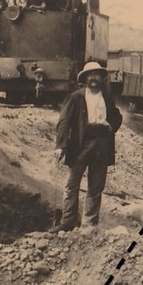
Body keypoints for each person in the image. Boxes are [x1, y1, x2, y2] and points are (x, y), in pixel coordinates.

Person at [54, 62, 123, 230]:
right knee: (72, 183)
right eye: (90, 75)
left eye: (97, 75)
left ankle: (89, 224)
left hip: (102, 144)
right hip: (81, 144)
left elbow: (117, 116)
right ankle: (68, 221)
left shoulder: (106, 98)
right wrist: (60, 146)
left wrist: (111, 127)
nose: (93, 78)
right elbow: (64, 122)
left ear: (101, 78)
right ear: (85, 78)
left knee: (96, 186)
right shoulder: (75, 97)